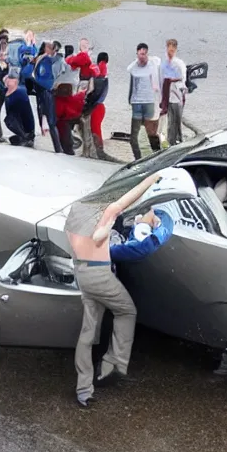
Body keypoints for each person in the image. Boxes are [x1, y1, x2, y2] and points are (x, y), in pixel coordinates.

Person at [65, 171, 172, 408]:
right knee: (126, 311)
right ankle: (112, 364)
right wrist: (152, 179)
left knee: (88, 332)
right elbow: (131, 197)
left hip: (82, 273)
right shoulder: (104, 215)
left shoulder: (72, 219)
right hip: (100, 275)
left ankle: (84, 389)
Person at [127, 43, 161, 160]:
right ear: (137, 53)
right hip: (137, 103)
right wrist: (130, 98)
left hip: (151, 103)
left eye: (145, 53)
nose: (142, 56)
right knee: (135, 137)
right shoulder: (134, 67)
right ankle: (139, 159)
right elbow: (132, 84)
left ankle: (157, 157)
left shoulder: (153, 65)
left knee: (151, 133)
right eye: (140, 53)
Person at [33, 41, 65, 153]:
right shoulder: (48, 59)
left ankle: (57, 147)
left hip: (43, 92)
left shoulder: (41, 59)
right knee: (53, 121)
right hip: (49, 92)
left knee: (48, 119)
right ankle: (59, 147)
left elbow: (41, 77)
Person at [160, 39, 186, 146]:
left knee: (176, 121)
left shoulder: (179, 63)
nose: (169, 51)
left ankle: (176, 141)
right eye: (168, 48)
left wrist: (172, 80)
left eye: (172, 49)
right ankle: (172, 142)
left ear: (175, 49)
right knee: (171, 122)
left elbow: (183, 78)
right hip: (168, 97)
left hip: (177, 96)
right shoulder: (165, 63)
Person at [3, 71, 35, 147]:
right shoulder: (13, 91)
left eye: (11, 80)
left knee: (9, 120)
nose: (8, 82)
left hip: (26, 127)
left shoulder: (19, 92)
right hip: (23, 124)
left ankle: (25, 137)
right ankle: (25, 137)